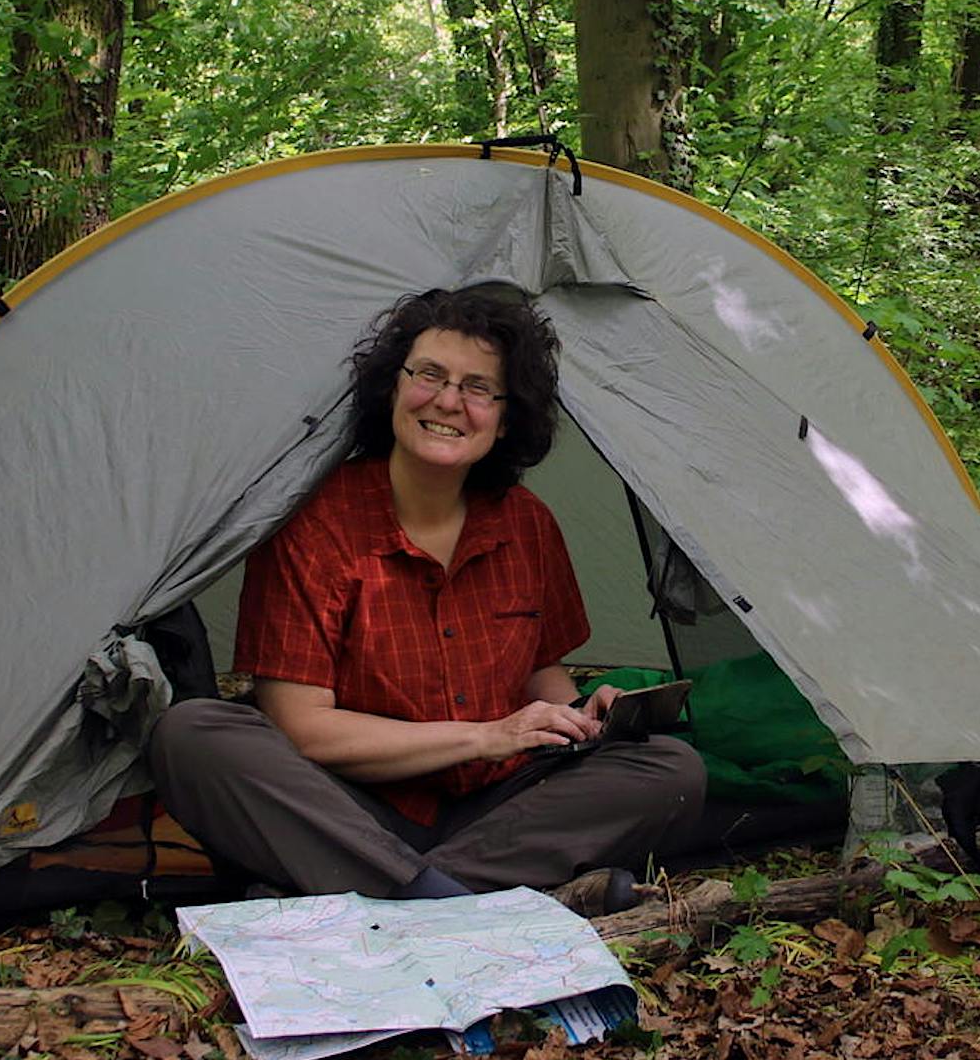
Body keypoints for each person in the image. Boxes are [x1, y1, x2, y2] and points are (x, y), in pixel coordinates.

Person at [149, 286, 706, 915]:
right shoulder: (315, 523)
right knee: (193, 733)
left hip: (498, 806)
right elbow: (301, 727)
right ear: (392, 387)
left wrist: (581, 717)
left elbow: (538, 673)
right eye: (429, 375)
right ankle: (452, 897)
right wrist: (485, 736)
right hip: (351, 804)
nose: (447, 401)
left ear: (504, 418)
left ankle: (398, 891)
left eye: (477, 388)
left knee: (670, 770)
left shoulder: (527, 524)